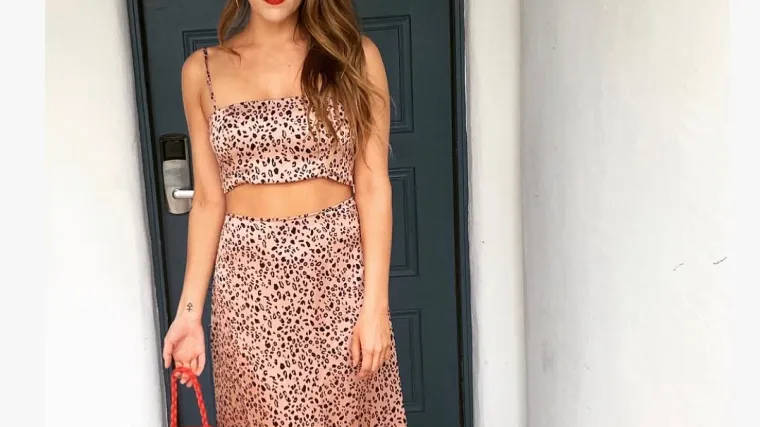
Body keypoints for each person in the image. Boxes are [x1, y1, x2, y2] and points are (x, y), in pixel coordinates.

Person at [160, 0, 407, 426]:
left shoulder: (355, 57)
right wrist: (188, 313)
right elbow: (208, 201)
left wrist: (375, 309)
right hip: (248, 293)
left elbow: (372, 187)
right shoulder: (201, 71)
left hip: (337, 284)